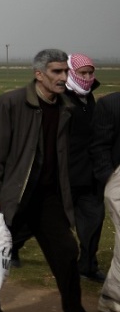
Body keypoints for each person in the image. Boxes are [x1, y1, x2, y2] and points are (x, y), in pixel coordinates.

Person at [0, 48, 110, 312]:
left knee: (66, 250)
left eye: (65, 71)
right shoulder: (11, 103)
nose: (64, 77)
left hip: (48, 197)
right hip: (13, 194)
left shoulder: (65, 107)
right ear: (39, 74)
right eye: (57, 72)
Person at [66, 53, 105, 283]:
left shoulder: (90, 98)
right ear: (72, 72)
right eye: (83, 73)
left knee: (93, 219)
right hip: (63, 173)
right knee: (42, 219)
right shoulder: (61, 98)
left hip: (89, 174)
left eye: (91, 73)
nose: (88, 77)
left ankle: (88, 265)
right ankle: (13, 247)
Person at [91, 91, 120, 312]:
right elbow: (99, 145)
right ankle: (112, 296)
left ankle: (111, 295)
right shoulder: (110, 104)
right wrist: (109, 178)